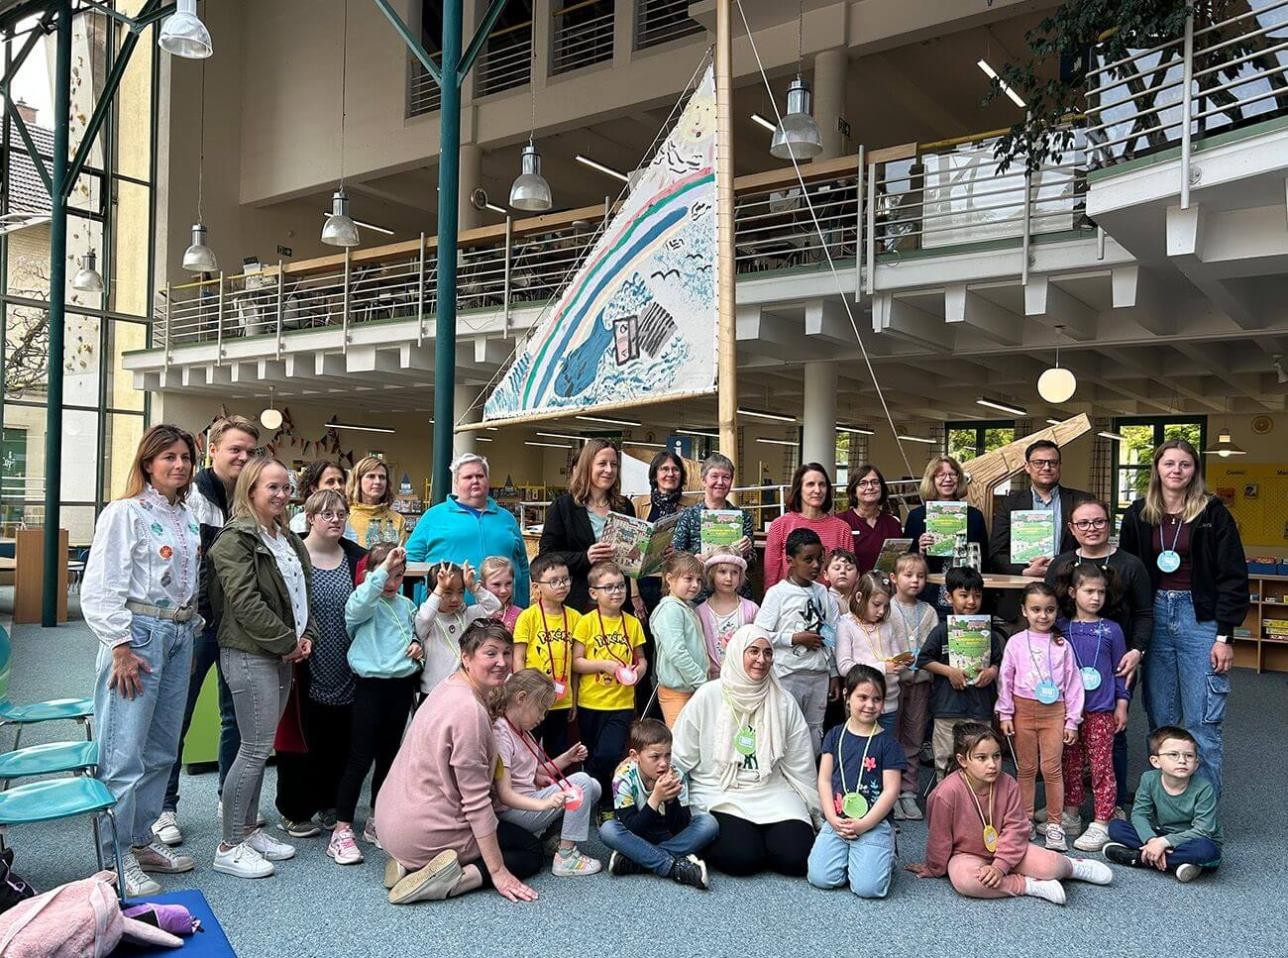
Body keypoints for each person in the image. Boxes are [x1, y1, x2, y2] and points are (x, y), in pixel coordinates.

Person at [82, 424, 203, 897]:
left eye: (185, 458)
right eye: (168, 457)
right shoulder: (125, 513)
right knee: (123, 750)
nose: (179, 465)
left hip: (179, 633)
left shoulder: (187, 516)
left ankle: (139, 839)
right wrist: (120, 646)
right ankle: (114, 858)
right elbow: (100, 587)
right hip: (138, 635)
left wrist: (189, 634)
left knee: (160, 750)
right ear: (148, 463)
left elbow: (186, 582)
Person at [377, 621, 544, 905]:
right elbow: (476, 803)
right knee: (529, 850)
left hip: (390, 824)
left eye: (506, 653)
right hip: (425, 830)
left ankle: (410, 866)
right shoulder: (469, 712)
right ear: (466, 657)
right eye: (490, 653)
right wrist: (498, 871)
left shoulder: (447, 684)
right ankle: (454, 880)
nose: (502, 662)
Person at [1118, 439, 1248, 801]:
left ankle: (1202, 816)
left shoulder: (1212, 513)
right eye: (1169, 464)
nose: (1177, 471)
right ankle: (1166, 807)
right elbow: (1125, 572)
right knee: (1162, 719)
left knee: (1201, 722)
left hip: (1200, 619)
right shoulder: (1139, 512)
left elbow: (1234, 577)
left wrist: (1225, 636)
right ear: (1157, 469)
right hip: (1153, 615)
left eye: (1185, 465)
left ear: (1195, 471)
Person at [208, 456, 315, 879]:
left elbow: (303, 592)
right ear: (250, 490)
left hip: (282, 653)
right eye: (272, 487)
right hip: (251, 652)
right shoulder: (234, 540)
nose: (282, 495)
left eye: (286, 487)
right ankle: (229, 844)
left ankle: (248, 830)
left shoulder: (286, 536)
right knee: (252, 750)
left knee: (261, 746)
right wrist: (288, 641)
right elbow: (245, 602)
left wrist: (307, 637)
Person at [156, 414, 259, 848]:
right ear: (212, 449)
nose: (243, 457)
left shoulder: (252, 498)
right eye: (235, 449)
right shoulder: (190, 497)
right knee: (175, 716)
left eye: (250, 451)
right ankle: (164, 808)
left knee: (235, 716)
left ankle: (229, 802)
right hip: (197, 624)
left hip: (239, 626)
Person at [906, 722, 1112, 904]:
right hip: (966, 854)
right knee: (966, 882)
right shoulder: (945, 793)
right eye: (981, 758)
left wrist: (1000, 866)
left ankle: (1073, 867)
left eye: (996, 756)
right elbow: (939, 837)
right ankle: (1029, 885)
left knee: (1053, 865)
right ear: (962, 760)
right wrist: (934, 867)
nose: (991, 764)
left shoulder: (1008, 783)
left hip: (1008, 848)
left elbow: (1016, 829)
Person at [670, 626, 820, 877]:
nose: (761, 660)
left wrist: (818, 812)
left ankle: (765, 839)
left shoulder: (783, 701)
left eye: (768, 653)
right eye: (753, 651)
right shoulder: (708, 695)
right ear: (738, 653)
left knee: (796, 858)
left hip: (772, 791)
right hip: (720, 791)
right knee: (743, 859)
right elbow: (680, 755)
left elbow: (800, 763)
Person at [1046, 497, 1153, 811]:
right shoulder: (1061, 564)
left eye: (1098, 522)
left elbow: (1145, 614)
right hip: (1069, 664)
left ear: (1110, 524)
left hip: (1116, 660)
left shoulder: (1130, 564)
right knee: (1069, 735)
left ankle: (1114, 803)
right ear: (1071, 528)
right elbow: (1048, 611)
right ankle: (1067, 803)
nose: (1091, 528)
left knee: (1112, 733)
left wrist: (1137, 651)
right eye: (1083, 523)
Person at [274, 489, 366, 839]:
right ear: (310, 518)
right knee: (298, 736)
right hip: (303, 662)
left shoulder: (357, 559)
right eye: (327, 514)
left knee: (341, 735)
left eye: (341, 514)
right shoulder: (292, 556)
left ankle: (333, 804)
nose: (336, 520)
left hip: (348, 661)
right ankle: (295, 809)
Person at [327, 543, 424, 866]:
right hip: (370, 688)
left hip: (401, 687)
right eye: (386, 575)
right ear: (371, 574)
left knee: (388, 758)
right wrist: (381, 571)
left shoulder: (407, 604)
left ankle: (376, 819)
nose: (392, 582)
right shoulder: (361, 603)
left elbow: (415, 633)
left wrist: (415, 646)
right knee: (359, 758)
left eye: (398, 576)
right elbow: (361, 602)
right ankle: (341, 829)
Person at [995, 582, 1083, 851]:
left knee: (1052, 768)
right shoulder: (1015, 642)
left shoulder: (1062, 645)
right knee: (1027, 769)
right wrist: (1005, 712)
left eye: (1049, 610)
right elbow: (1005, 679)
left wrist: (1072, 720)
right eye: (1036, 610)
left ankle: (1055, 824)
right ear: (1024, 610)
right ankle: (1025, 820)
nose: (1043, 616)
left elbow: (1073, 682)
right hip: (1023, 709)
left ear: (1057, 612)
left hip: (1054, 712)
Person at [807, 665, 904, 899]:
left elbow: (891, 791)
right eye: (862, 697)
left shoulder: (888, 744)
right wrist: (831, 818)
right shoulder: (834, 735)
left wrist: (864, 824)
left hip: (873, 822)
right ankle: (856, 857)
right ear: (847, 697)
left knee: (868, 889)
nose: (870, 705)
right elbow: (824, 780)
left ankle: (886, 853)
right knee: (821, 878)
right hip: (838, 820)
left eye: (877, 699)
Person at [492, 669, 602, 876]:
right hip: (512, 812)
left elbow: (534, 772)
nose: (543, 717)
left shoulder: (522, 732)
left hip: (527, 802)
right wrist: (543, 803)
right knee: (581, 782)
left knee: (592, 786)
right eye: (541, 710)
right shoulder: (501, 733)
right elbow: (505, 794)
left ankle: (554, 840)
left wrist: (566, 758)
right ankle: (567, 857)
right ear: (521, 699)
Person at [598, 718, 718, 889]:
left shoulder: (676, 775)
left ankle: (636, 861)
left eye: (668, 755)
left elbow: (680, 827)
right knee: (608, 830)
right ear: (635, 756)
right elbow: (632, 828)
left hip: (666, 835)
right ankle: (674, 867)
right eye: (655, 756)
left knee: (709, 823)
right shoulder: (623, 778)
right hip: (637, 836)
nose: (663, 763)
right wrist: (655, 798)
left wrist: (670, 800)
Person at [1059, 564, 1129, 853]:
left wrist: (1122, 704)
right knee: (1070, 763)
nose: (1096, 597)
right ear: (1073, 592)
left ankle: (1102, 820)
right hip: (1068, 713)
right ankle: (1072, 813)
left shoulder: (1112, 629)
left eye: (1101, 591)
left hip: (1102, 709)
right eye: (1089, 591)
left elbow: (1122, 670)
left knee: (1101, 766)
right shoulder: (1061, 627)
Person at [914, 567, 1006, 782]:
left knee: (982, 757)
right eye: (963, 595)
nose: (971, 602)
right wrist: (949, 672)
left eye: (977, 595)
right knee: (946, 759)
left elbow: (1000, 662)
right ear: (949, 597)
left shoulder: (989, 633)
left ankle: (978, 807)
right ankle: (946, 804)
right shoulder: (941, 631)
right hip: (948, 707)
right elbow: (924, 660)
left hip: (980, 707)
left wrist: (992, 672)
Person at [405, 453, 530, 608]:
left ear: (488, 480)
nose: (475, 481)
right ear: (456, 483)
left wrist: (523, 608)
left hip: (503, 617)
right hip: (447, 617)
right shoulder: (433, 516)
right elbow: (410, 564)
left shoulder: (507, 518)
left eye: (480, 475)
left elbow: (523, 567)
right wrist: (415, 609)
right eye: (468, 477)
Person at [754, 528, 839, 754]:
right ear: (790, 560)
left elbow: (831, 635)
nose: (815, 565)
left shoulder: (824, 594)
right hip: (788, 674)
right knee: (785, 728)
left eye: (820, 559)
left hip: (818, 675)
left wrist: (833, 673)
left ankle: (809, 779)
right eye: (808, 559)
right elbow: (760, 634)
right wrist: (793, 638)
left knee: (814, 729)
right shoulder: (778, 594)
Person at [1102, 726, 1222, 883]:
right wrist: (1152, 841)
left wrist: (1164, 843)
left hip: (1192, 839)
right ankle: (1175, 863)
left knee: (1208, 850)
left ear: (1196, 763)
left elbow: (1203, 831)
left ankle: (1139, 858)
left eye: (1189, 756)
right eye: (1173, 754)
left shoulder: (1204, 788)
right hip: (1161, 834)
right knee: (1116, 827)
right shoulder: (1149, 779)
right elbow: (1139, 814)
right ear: (1156, 761)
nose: (1182, 760)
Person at [572, 561, 648, 808]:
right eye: (609, 588)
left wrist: (639, 672)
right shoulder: (586, 622)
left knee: (610, 753)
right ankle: (594, 797)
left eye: (620, 587)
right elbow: (577, 662)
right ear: (594, 593)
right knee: (594, 753)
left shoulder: (632, 623)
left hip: (621, 702)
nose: (617, 592)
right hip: (590, 702)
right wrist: (604, 666)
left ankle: (602, 800)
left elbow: (642, 658)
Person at [987, 440, 1090, 622]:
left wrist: (1061, 566)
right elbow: (996, 553)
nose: (1047, 467)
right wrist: (1025, 572)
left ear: (1059, 466)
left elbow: (1092, 549)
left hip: (1070, 597)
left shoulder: (1081, 501)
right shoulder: (1010, 503)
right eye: (1039, 462)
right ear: (1027, 467)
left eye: (1052, 462)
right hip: (1022, 599)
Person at [539, 439, 637, 614]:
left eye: (613, 464)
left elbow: (632, 558)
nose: (609, 470)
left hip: (617, 605)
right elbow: (546, 557)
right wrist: (585, 557)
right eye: (602, 464)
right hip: (579, 605)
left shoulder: (624, 506)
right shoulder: (564, 507)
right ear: (587, 466)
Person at [512, 554, 581, 757]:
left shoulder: (576, 617)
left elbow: (575, 666)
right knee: (527, 752)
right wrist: (522, 694)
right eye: (554, 581)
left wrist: (574, 700)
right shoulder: (527, 617)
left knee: (557, 751)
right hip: (534, 699)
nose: (562, 585)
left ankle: (554, 788)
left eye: (565, 579)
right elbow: (518, 658)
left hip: (562, 700)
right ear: (536, 587)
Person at [902, 456, 988, 616]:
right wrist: (920, 550)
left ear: (959, 478)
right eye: (940, 475)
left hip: (967, 599)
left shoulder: (974, 516)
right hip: (929, 598)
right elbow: (906, 563)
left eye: (952, 474)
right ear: (932, 479)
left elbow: (985, 560)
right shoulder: (916, 516)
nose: (947, 479)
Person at [888, 552, 937, 820]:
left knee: (914, 736)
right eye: (908, 575)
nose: (915, 581)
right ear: (894, 578)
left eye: (920, 576)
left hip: (920, 683)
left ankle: (908, 791)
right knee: (891, 735)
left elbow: (932, 647)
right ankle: (891, 791)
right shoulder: (887, 607)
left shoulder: (928, 612)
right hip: (894, 683)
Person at [670, 452, 756, 600]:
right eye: (714, 476)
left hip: (734, 596)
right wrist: (693, 559)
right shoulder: (689, 515)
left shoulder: (743, 517)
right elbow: (676, 557)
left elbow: (752, 564)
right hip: (699, 595)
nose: (720, 482)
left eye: (726, 477)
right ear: (703, 480)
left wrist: (747, 553)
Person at [416, 561, 502, 697]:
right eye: (447, 592)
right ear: (431, 593)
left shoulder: (466, 615)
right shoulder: (428, 620)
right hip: (433, 691)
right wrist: (439, 589)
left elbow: (494, 607)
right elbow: (425, 617)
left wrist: (473, 587)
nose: (455, 599)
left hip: (464, 690)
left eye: (460, 592)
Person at [763, 463, 854, 591]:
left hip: (831, 604)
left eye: (822, 484)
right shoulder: (779, 526)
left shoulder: (842, 529)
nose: (817, 490)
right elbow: (771, 579)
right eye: (810, 484)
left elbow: (849, 576)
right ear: (799, 489)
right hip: (789, 604)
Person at [631, 449, 698, 621]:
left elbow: (698, 546)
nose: (670, 473)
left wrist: (682, 552)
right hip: (644, 585)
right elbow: (629, 552)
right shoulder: (638, 504)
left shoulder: (693, 507)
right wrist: (634, 594)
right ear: (654, 475)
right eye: (664, 469)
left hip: (677, 585)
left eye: (675, 469)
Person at [836, 572, 903, 727]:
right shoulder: (846, 625)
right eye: (876, 604)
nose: (881, 611)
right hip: (861, 704)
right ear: (859, 597)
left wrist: (903, 661)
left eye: (886, 606)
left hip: (889, 701)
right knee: (860, 746)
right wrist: (883, 668)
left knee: (884, 747)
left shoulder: (887, 625)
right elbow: (844, 667)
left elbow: (896, 655)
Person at [650, 552, 709, 726]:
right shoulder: (670, 609)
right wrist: (701, 680)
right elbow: (677, 652)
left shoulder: (686, 607)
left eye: (699, 580)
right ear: (669, 579)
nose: (695, 585)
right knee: (679, 744)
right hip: (677, 691)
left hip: (689, 688)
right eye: (688, 579)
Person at [695, 550, 759, 680]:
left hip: (744, 680)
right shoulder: (700, 612)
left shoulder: (751, 609)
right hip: (711, 683)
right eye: (722, 572)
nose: (729, 578)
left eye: (734, 572)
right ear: (712, 574)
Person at [836, 465, 905, 574]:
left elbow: (901, 562)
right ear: (854, 490)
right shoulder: (840, 522)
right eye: (863, 483)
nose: (870, 487)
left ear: (881, 488)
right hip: (851, 588)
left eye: (875, 482)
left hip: (885, 587)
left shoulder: (893, 524)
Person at [346, 456, 405, 547]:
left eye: (382, 477)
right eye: (371, 476)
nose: (377, 481)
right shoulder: (344, 517)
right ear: (358, 480)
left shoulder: (397, 519)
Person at [288, 460, 355, 541]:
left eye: (340, 481)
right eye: (330, 482)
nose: (338, 487)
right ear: (314, 488)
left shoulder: (344, 523)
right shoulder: (298, 524)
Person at [480, 556, 521, 632]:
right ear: (483, 585)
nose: (503, 590)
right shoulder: (475, 613)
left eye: (508, 583)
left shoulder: (520, 615)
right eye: (496, 584)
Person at [824, 548, 859, 620]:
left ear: (857, 576)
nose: (842, 571)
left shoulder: (861, 601)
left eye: (849, 568)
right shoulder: (823, 600)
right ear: (826, 574)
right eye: (837, 568)